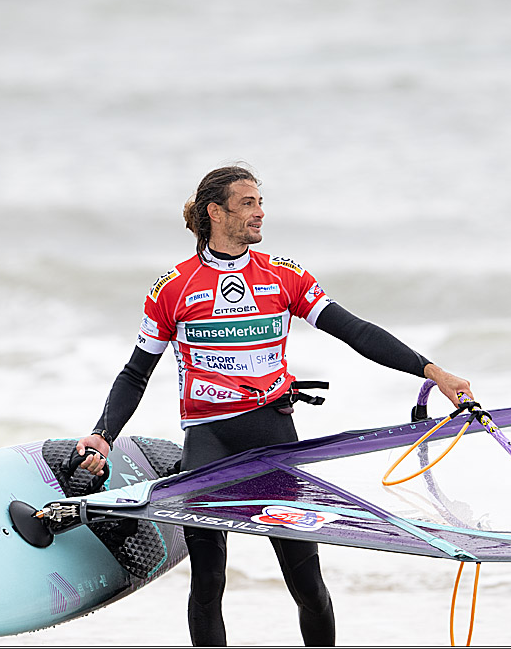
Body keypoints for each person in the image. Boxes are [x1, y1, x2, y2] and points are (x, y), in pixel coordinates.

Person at [75, 164, 473, 646]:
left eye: (261, 202)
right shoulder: (173, 288)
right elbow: (136, 372)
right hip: (209, 444)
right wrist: (104, 433)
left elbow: (356, 332)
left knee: (306, 583)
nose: (260, 213)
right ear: (214, 213)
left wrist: (434, 372)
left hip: (276, 443)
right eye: (248, 204)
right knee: (208, 583)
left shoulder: (284, 276)